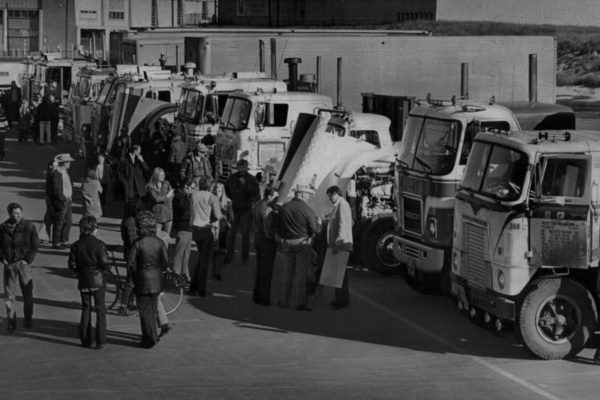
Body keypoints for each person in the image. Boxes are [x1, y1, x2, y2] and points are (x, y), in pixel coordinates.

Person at [127, 211, 168, 349]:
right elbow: (165, 262)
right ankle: (153, 336)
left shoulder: (137, 243)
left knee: (144, 312)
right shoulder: (159, 242)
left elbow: (131, 263)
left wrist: (135, 277)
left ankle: (149, 338)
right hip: (156, 280)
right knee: (152, 308)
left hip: (142, 280)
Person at [68, 216, 110, 348]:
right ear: (94, 229)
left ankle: (85, 339)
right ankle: (101, 340)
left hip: (84, 280)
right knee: (100, 310)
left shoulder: (76, 245)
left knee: (86, 309)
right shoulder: (100, 244)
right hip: (98, 280)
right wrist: (106, 269)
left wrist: (80, 272)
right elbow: (104, 263)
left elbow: (72, 265)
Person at [276, 184, 318, 311]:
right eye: (307, 195)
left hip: (287, 242)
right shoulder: (307, 209)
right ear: (302, 194)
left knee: (287, 272)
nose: (308, 197)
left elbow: (279, 226)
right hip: (302, 242)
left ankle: (284, 301)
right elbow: (314, 229)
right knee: (301, 273)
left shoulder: (284, 207)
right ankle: (299, 303)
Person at [0, 202, 39, 333]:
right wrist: (2, 258)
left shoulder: (29, 227)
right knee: (9, 296)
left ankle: (28, 318)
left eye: (20, 213)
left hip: (23, 265)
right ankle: (11, 322)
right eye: (15, 213)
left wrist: (27, 260)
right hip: (9, 265)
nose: (18, 216)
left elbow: (34, 245)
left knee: (28, 294)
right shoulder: (3, 228)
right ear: (9, 214)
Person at [189, 176, 223, 297]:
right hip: (206, 229)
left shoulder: (194, 195)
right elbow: (218, 215)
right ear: (211, 186)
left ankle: (193, 286)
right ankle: (201, 289)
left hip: (195, 228)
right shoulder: (212, 198)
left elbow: (192, 211)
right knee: (204, 261)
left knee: (200, 258)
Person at [322, 185, 353, 309]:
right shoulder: (339, 205)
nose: (329, 199)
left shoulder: (343, 205)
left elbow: (343, 226)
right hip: (338, 245)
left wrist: (337, 244)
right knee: (338, 274)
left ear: (335, 194)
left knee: (339, 274)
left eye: (330, 196)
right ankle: (340, 298)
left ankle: (342, 299)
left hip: (340, 246)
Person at [224, 159, 260, 264]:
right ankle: (229, 256)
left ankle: (245, 257)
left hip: (246, 209)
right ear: (238, 167)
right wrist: (233, 198)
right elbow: (228, 190)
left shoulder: (251, 179)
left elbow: (255, 193)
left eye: (244, 167)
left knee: (245, 234)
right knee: (231, 233)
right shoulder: (232, 178)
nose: (242, 169)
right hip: (234, 208)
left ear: (247, 167)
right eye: (240, 167)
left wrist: (245, 186)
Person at [118, 199, 145, 316]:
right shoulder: (131, 222)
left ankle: (129, 302)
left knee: (133, 280)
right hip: (133, 254)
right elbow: (132, 239)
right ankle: (124, 305)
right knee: (131, 281)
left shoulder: (127, 220)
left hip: (129, 252)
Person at [252, 186, 278, 305]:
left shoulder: (257, 204)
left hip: (258, 238)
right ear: (270, 196)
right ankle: (264, 297)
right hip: (265, 241)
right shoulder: (267, 208)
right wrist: (272, 237)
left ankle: (257, 295)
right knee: (266, 271)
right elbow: (266, 225)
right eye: (275, 196)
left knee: (260, 268)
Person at [50, 153, 75, 249]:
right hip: (62, 201)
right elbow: (57, 189)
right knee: (59, 222)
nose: (70, 164)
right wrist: (63, 199)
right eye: (69, 162)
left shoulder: (64, 171)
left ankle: (64, 240)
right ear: (64, 163)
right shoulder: (57, 173)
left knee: (68, 221)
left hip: (67, 200)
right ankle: (56, 242)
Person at [171, 181, 193, 282]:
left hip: (188, 228)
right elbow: (184, 213)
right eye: (191, 188)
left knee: (186, 253)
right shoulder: (179, 197)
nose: (193, 190)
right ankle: (176, 274)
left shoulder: (186, 196)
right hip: (183, 227)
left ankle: (185, 273)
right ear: (186, 187)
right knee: (179, 253)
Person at [211, 182, 233, 280]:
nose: (217, 192)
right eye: (215, 189)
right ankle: (213, 269)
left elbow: (232, 217)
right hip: (211, 227)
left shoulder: (227, 202)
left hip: (222, 229)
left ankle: (217, 271)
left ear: (222, 191)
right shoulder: (210, 199)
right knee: (212, 250)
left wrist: (227, 223)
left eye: (219, 190)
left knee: (221, 251)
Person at [146, 167, 174, 234]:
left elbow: (172, 194)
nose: (163, 176)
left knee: (167, 236)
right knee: (157, 236)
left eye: (163, 175)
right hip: (157, 214)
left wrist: (168, 197)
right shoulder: (151, 186)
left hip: (168, 213)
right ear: (156, 175)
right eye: (161, 175)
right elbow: (156, 199)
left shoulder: (167, 183)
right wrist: (167, 196)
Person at [42, 158, 58, 243]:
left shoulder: (51, 174)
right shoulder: (51, 175)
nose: (57, 167)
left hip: (50, 197)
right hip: (50, 198)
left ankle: (44, 236)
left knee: (49, 216)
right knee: (49, 217)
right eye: (55, 165)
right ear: (51, 166)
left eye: (57, 165)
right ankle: (45, 236)